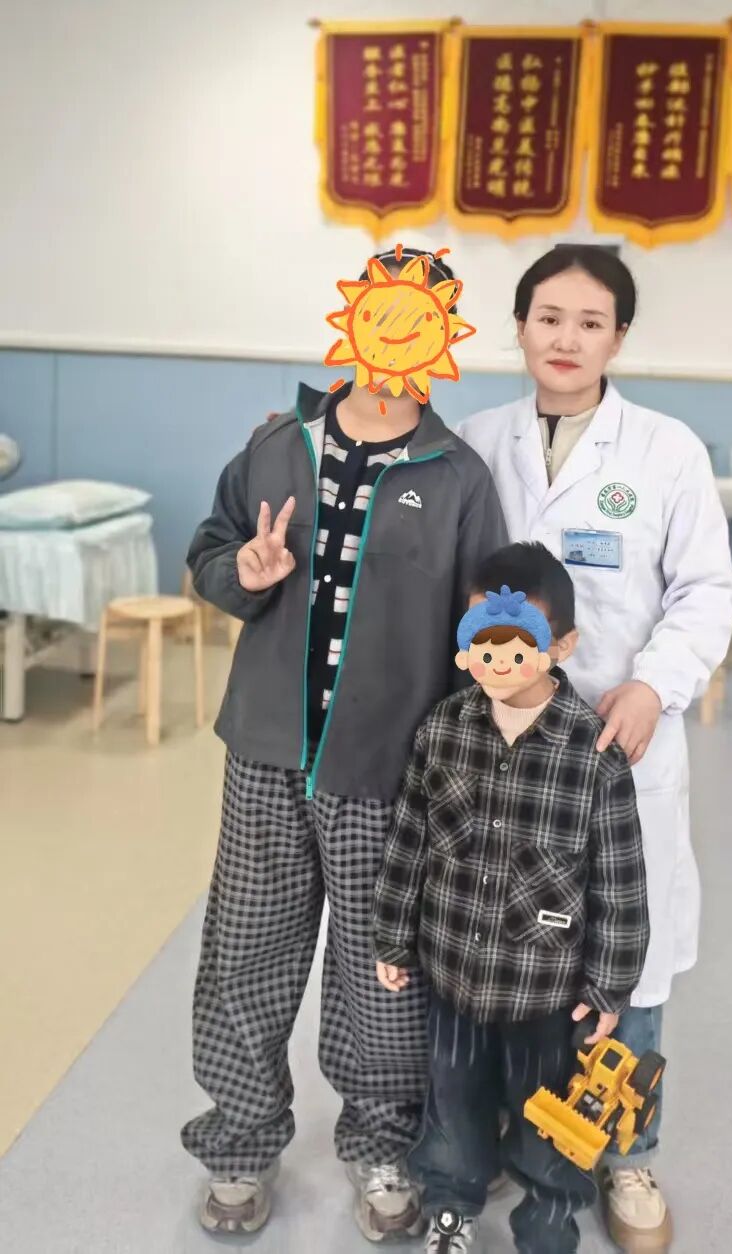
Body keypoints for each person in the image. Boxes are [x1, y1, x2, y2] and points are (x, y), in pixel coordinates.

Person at [181, 245, 508, 1241]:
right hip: (266, 751)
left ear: (442, 339)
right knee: (247, 949)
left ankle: (380, 1145)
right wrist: (242, 572)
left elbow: (479, 632)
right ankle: (240, 1142)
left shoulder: (457, 476)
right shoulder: (277, 445)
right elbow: (210, 551)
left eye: (418, 319)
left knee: (381, 971)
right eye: (382, 313)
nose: (395, 335)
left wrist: (461, 768)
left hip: (389, 768)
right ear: (353, 321)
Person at [457, 246, 732, 1253]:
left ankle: (629, 1153)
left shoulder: (664, 450)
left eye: (589, 322)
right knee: (505, 946)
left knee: (631, 955)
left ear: (618, 337)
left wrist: (653, 684)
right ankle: (510, 1130)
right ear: (519, 326)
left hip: (621, 748)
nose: (566, 339)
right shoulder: (475, 442)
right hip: (500, 747)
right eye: (548, 317)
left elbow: (706, 589)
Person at [373, 543, 651, 1254]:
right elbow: (410, 840)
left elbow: (620, 882)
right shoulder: (443, 730)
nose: (497, 661)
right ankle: (451, 1207)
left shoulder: (592, 754)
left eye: (518, 643)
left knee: (548, 1124)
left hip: (545, 993)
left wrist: (610, 986)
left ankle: (549, 1225)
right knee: (453, 1107)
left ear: (561, 646)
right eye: (482, 642)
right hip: (454, 980)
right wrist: (392, 936)